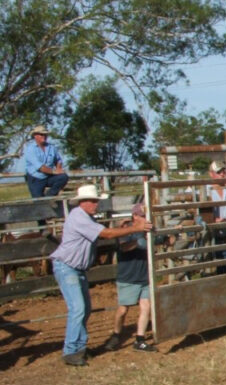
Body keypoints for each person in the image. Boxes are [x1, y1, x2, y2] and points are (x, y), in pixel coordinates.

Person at [49, 184, 153, 366]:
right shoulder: (80, 217)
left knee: (84, 308)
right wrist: (135, 229)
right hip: (68, 267)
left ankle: (78, 348)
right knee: (79, 308)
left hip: (74, 268)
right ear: (84, 202)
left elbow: (106, 232)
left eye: (96, 200)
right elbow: (105, 233)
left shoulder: (84, 217)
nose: (96, 204)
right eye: (94, 201)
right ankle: (71, 350)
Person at [105, 203, 158, 353]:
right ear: (135, 216)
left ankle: (139, 339)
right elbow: (123, 247)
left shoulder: (149, 229)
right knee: (123, 309)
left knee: (146, 306)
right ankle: (116, 334)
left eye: (146, 216)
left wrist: (175, 232)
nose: (145, 219)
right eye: (142, 216)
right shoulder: (125, 230)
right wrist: (138, 241)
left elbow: (166, 241)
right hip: (128, 277)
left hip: (144, 275)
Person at [23, 126, 69, 199]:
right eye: (41, 134)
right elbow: (41, 167)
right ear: (35, 136)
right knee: (38, 202)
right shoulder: (30, 149)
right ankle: (45, 201)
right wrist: (55, 172)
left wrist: (59, 168)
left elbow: (58, 160)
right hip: (35, 178)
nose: (44, 136)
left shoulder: (51, 147)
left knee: (63, 177)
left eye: (45, 135)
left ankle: (49, 197)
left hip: (48, 176)